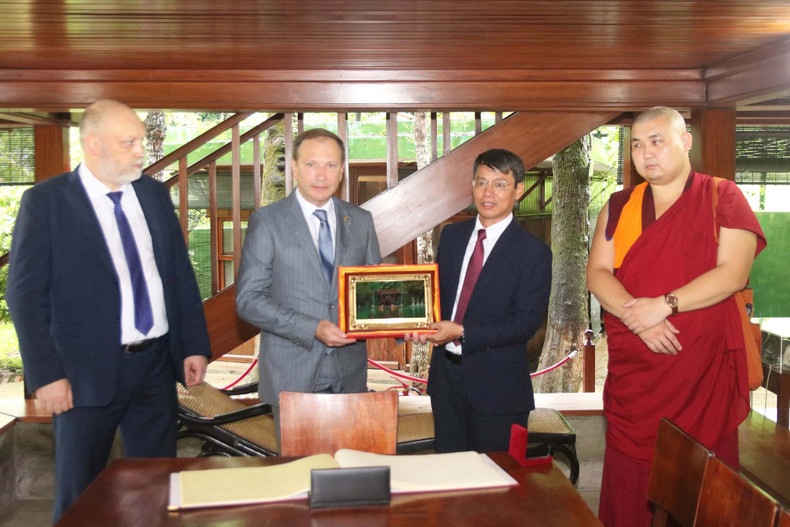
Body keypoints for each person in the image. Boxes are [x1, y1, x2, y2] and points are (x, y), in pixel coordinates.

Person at [5, 99, 212, 522]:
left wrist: (193, 345)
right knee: (80, 492)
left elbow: (178, 276)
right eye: (129, 142)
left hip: (154, 366)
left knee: (156, 483)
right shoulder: (46, 203)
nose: (141, 151)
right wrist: (46, 375)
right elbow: (25, 296)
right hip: (82, 374)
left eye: (140, 140)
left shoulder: (153, 195)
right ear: (93, 145)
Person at [586, 106, 767, 527]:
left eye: (657, 141)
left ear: (685, 142)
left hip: (702, 373)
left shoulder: (722, 195)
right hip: (638, 374)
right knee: (631, 488)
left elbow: (733, 273)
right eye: (636, 145)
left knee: (701, 492)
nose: (646, 153)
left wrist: (663, 305)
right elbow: (597, 273)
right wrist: (640, 319)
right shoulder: (618, 205)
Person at [235, 128, 381, 441]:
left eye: (330, 165)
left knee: (348, 471)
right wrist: (312, 326)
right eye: (312, 164)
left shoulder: (361, 220)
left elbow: (371, 291)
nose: (321, 174)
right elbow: (249, 299)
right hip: (293, 370)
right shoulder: (268, 221)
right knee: (298, 476)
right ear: (294, 167)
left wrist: (399, 318)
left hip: (349, 371)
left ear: (341, 171)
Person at [407, 148, 552, 453]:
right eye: (481, 182)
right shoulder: (452, 237)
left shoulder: (533, 252)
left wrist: (462, 332)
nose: (488, 192)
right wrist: (412, 319)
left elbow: (524, 323)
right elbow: (437, 298)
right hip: (445, 381)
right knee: (451, 478)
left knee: (496, 486)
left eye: (500, 184)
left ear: (518, 191)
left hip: (498, 388)